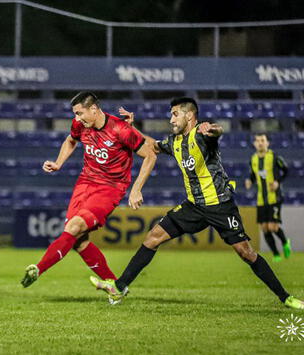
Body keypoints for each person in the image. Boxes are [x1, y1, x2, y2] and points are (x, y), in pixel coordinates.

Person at [90, 97, 304, 309]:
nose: (171, 119)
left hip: (220, 205)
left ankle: (285, 297)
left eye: (175, 114)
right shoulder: (174, 142)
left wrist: (212, 128)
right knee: (153, 237)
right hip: (193, 206)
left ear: (189, 115)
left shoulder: (202, 136)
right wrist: (131, 128)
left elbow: (217, 132)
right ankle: (120, 287)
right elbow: (151, 146)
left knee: (246, 252)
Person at [20, 91, 157, 297]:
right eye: (75, 114)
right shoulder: (80, 125)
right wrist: (58, 163)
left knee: (74, 227)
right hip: (84, 184)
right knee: (78, 240)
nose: (77, 119)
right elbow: (70, 140)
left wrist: (136, 189)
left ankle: (38, 269)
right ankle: (117, 287)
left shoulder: (120, 129)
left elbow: (150, 155)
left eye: (80, 113)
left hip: (110, 188)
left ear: (94, 109)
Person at [245, 133, 291, 262]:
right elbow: (253, 175)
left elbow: (286, 170)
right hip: (261, 199)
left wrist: (278, 182)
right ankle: (276, 254)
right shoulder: (253, 159)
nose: (260, 143)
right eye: (258, 140)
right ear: (254, 144)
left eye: (262, 140)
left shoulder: (274, 157)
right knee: (264, 228)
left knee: (273, 227)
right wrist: (249, 180)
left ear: (267, 143)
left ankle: (285, 242)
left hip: (274, 197)